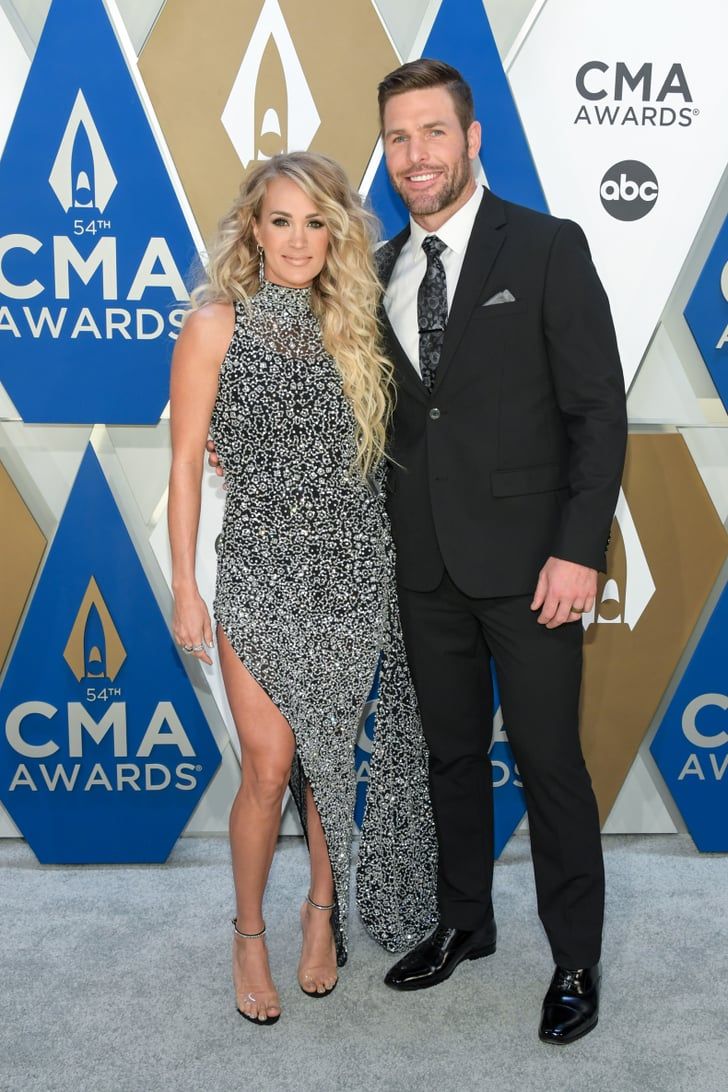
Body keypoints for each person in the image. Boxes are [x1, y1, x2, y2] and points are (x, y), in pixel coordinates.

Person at [372, 59, 627, 1045]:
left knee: (549, 761)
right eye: (397, 139)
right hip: (423, 564)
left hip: (531, 569)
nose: (414, 156)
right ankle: (462, 923)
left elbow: (596, 415)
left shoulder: (548, 247)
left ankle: (573, 957)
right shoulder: (382, 265)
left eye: (432, 133)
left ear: (471, 140)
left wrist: (577, 551)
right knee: (449, 759)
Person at [168, 151, 436, 1027]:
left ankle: (320, 913)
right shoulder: (216, 323)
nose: (299, 240)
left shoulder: (359, 320)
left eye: (317, 222)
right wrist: (184, 586)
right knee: (271, 764)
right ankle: (248, 934)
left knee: (328, 764)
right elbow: (183, 466)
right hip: (258, 565)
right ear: (253, 226)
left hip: (355, 567)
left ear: (338, 232)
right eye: (281, 220)